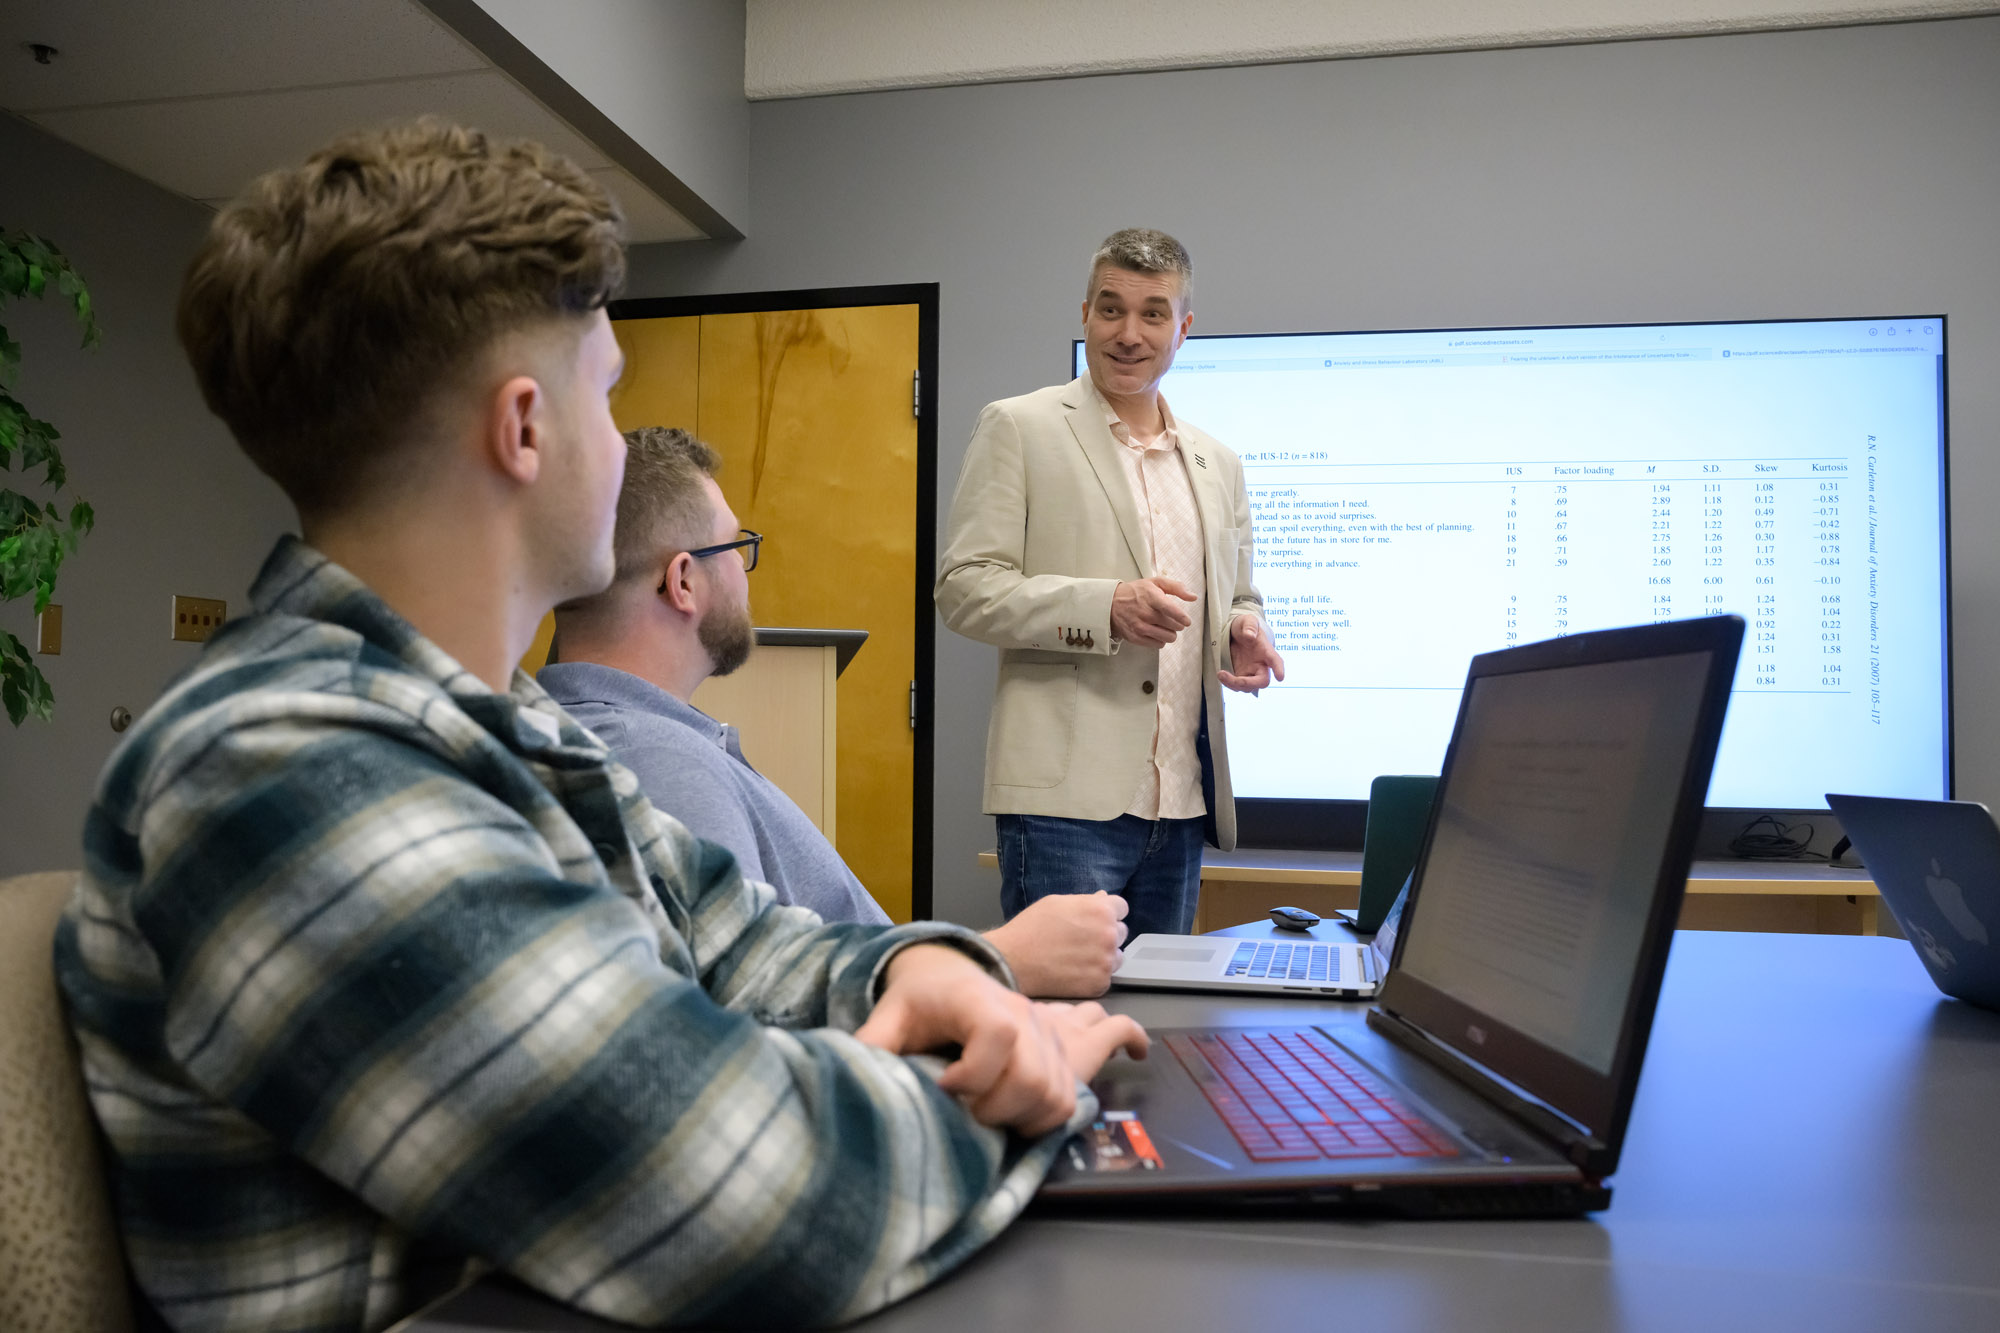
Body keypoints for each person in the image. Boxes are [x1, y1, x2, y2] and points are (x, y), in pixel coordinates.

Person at [55, 121, 1145, 1333]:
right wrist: (1013, 1085)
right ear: (523, 428)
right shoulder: (282, 776)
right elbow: (748, 1196)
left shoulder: (499, 721)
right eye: (609, 394)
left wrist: (927, 969)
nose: (625, 447)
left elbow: (744, 946)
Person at [540, 427, 1131, 997]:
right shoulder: (658, 764)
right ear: (685, 581)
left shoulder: (610, 738)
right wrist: (1003, 958)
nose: (746, 580)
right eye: (737, 548)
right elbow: (749, 1014)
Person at [936, 227, 1284, 939]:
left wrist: (1244, 626)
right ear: (1084, 313)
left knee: (1154, 1038)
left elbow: (1238, 592)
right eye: (1111, 309)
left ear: (1183, 328)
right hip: (1064, 808)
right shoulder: (1019, 426)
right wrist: (1106, 607)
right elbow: (964, 588)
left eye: (1153, 312)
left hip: (1181, 806)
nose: (1129, 333)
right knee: (1060, 1030)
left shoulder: (1221, 463)